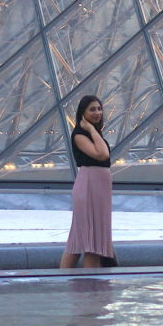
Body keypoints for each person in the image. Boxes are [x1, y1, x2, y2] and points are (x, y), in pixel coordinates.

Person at [61, 95, 115, 268]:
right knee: (90, 241)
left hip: (98, 188)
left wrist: (94, 131)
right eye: (92, 109)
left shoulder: (94, 133)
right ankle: (89, 286)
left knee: (85, 238)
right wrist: (92, 130)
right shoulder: (80, 134)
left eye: (99, 108)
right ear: (82, 113)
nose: (97, 112)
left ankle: (68, 280)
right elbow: (102, 155)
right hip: (89, 186)